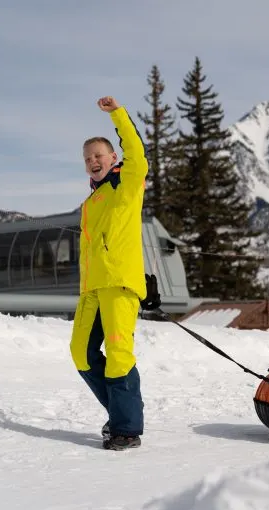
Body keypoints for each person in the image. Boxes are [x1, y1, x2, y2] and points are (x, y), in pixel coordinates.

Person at [69, 96, 148, 450]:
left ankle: (127, 429)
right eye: (87, 159)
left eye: (98, 155)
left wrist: (117, 114)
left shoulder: (126, 185)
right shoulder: (90, 203)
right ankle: (121, 412)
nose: (93, 162)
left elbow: (137, 153)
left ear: (113, 158)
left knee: (118, 355)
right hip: (92, 288)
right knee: (81, 353)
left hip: (118, 283)